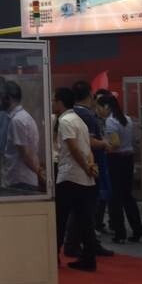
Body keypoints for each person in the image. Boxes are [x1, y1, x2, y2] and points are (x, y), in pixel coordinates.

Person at [53, 87, 99, 271]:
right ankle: (89, 257)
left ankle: (53, 255)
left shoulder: (65, 121)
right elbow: (87, 148)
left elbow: (73, 148)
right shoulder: (79, 120)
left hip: (70, 175)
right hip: (84, 177)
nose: (52, 104)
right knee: (84, 220)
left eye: (54, 100)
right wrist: (90, 166)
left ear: (60, 102)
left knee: (61, 218)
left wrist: (86, 167)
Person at [65, 81, 114, 258]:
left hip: (76, 166)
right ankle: (80, 243)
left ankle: (83, 243)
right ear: (90, 95)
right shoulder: (87, 115)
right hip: (90, 165)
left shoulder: (70, 114)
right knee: (87, 208)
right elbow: (88, 142)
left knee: (80, 207)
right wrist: (104, 144)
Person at [96, 92, 142, 244]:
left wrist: (104, 145)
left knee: (114, 198)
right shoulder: (127, 119)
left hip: (115, 160)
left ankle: (120, 233)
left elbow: (115, 144)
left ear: (106, 107)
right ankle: (138, 230)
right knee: (127, 196)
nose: (98, 111)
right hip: (128, 159)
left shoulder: (110, 121)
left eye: (99, 107)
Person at [1, 81, 45, 192]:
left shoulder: (17, 121)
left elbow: (25, 153)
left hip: (20, 179)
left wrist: (39, 174)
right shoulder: (22, 117)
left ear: (8, 98)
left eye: (1, 97)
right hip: (22, 178)